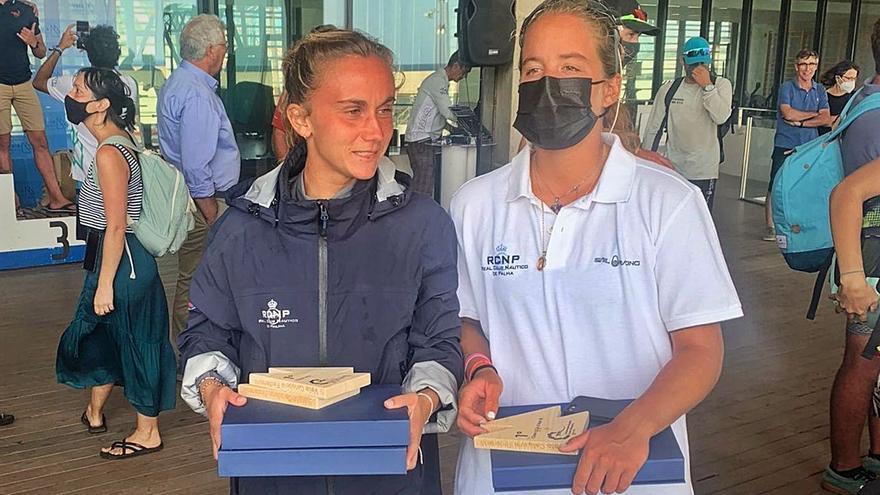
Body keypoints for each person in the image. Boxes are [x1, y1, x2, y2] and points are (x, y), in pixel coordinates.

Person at [451, 2, 742, 495]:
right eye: (533, 69)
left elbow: (700, 350)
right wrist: (477, 366)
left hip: (631, 473)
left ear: (610, 89)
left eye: (570, 68)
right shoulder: (475, 204)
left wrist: (634, 428)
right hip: (505, 469)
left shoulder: (667, 202)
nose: (548, 84)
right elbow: (465, 319)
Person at [177, 27, 462, 495]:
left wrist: (427, 397)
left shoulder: (423, 225)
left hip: (391, 472)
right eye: (353, 110)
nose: (377, 131)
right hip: (271, 472)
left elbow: (438, 339)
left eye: (386, 108)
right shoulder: (240, 228)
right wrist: (211, 386)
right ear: (301, 118)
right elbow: (208, 331)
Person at [55, 67, 177, 459]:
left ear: (100, 105)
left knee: (138, 340)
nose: (70, 95)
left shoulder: (110, 153)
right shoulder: (119, 140)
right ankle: (95, 412)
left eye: (77, 89)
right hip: (113, 261)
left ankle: (147, 432)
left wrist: (105, 283)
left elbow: (117, 225)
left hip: (123, 263)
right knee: (101, 334)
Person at [158, 14, 241, 352]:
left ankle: (192, 345)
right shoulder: (197, 95)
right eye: (224, 45)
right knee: (194, 277)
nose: (225, 52)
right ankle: (187, 352)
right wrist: (210, 211)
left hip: (194, 198)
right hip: (204, 202)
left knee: (195, 275)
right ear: (211, 50)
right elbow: (196, 165)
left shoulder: (179, 83)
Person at [824, 19, 880, 495]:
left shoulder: (863, 101)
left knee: (869, 361)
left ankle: (870, 457)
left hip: (866, 250)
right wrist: (854, 279)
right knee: (862, 362)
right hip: (873, 260)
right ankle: (844, 467)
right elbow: (848, 194)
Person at [33, 24, 139, 183]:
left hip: (89, 174)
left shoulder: (77, 84)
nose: (73, 93)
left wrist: (60, 48)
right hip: (122, 168)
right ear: (117, 52)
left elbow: (39, 81)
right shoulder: (129, 84)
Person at [642, 37, 733, 210]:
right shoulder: (669, 89)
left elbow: (721, 117)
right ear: (682, 62)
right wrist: (647, 160)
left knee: (700, 220)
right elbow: (654, 128)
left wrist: (707, 86)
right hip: (673, 166)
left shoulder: (721, 85)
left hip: (703, 169)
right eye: (693, 65)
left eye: (702, 64)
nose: (698, 69)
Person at [0, 0, 73, 215]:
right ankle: (10, 203)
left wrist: (33, 42)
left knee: (40, 141)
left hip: (23, 83)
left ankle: (57, 199)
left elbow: (40, 52)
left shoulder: (25, 9)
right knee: (3, 144)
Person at [764, 49, 832, 241]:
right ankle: (770, 226)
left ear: (816, 67)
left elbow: (826, 118)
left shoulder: (819, 90)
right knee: (776, 183)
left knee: (806, 185)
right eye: (803, 64)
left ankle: (801, 224)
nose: (807, 69)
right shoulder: (787, 87)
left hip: (809, 146)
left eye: (811, 64)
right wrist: (814, 113)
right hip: (785, 143)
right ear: (796, 66)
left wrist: (802, 121)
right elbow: (788, 114)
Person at [405, 51, 470, 196]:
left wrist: (451, 128)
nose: (463, 77)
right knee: (424, 185)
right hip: (420, 139)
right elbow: (447, 111)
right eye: (464, 72)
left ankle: (421, 215)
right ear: (456, 66)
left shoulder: (440, 81)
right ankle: (418, 217)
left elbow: (437, 115)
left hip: (424, 139)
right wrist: (465, 121)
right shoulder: (437, 81)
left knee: (425, 182)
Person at [819, 61, 860, 135]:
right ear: (838, 78)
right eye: (848, 78)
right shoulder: (823, 96)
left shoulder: (855, 97)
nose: (851, 81)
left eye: (854, 78)